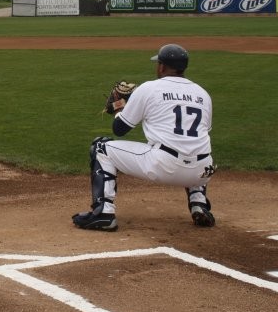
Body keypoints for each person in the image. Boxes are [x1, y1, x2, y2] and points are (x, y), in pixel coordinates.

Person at [73, 44, 216, 231]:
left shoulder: (149, 88)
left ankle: (103, 213)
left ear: (162, 67)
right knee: (193, 147)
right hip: (202, 172)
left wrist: (120, 107)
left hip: (165, 167)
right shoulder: (202, 94)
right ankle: (199, 204)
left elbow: (119, 129)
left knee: (101, 147)